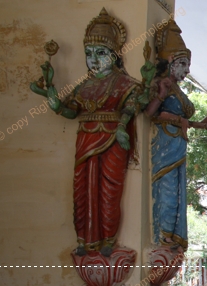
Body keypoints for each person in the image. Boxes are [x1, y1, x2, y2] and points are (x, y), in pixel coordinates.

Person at [33, 8, 141, 257]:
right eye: (89, 53)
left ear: (114, 55)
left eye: (100, 53)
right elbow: (70, 112)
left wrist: (122, 127)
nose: (93, 59)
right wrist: (51, 96)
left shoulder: (125, 84)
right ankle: (85, 239)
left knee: (109, 191)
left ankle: (108, 239)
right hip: (85, 139)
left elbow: (132, 106)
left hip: (112, 140)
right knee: (83, 190)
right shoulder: (83, 86)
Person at [144, 19, 207, 251]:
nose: (187, 71)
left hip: (177, 145)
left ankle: (172, 236)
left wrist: (203, 124)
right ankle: (164, 235)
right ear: (171, 61)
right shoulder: (161, 84)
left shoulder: (176, 88)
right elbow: (151, 113)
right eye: (184, 64)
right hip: (165, 145)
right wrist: (162, 96)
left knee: (178, 192)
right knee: (168, 190)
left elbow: (180, 119)